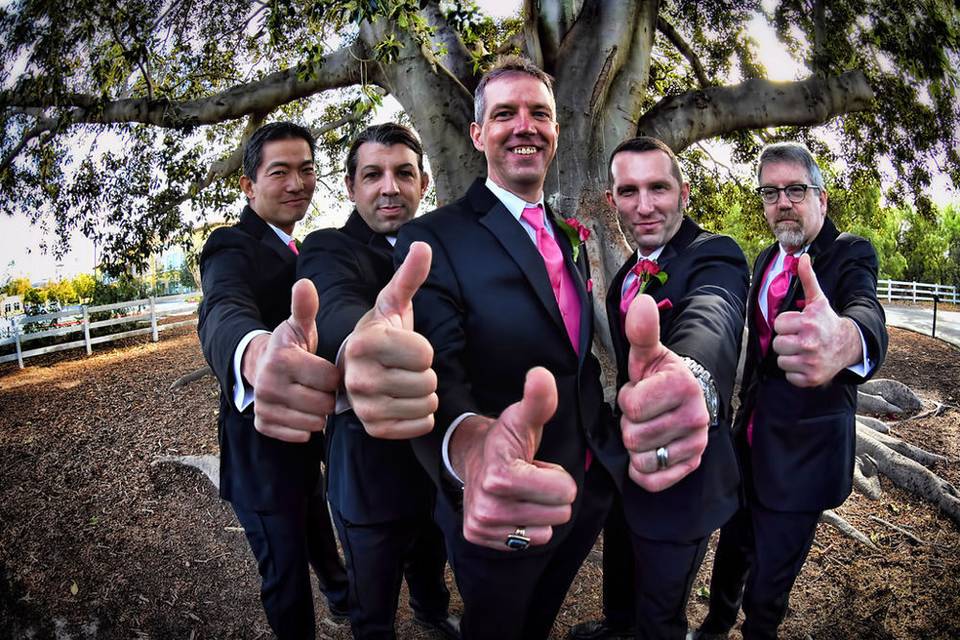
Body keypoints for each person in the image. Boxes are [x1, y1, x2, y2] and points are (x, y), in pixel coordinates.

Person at [342, 56, 712, 640]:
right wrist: (468, 450)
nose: (524, 126)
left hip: (587, 485)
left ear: (557, 131)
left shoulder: (568, 235)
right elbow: (441, 371)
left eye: (540, 113)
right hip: (500, 496)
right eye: (505, 113)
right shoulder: (433, 237)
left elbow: (572, 354)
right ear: (477, 133)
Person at [691, 142, 888, 640]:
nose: (783, 201)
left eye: (796, 189)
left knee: (770, 584)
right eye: (771, 191)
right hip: (747, 446)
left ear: (821, 199)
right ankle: (715, 626)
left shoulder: (849, 253)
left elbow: (865, 309)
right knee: (731, 551)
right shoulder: (763, 259)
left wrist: (849, 340)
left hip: (804, 458)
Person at [569, 137, 749, 640]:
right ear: (611, 202)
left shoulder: (716, 254)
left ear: (684, 193)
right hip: (625, 462)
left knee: (661, 611)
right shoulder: (624, 274)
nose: (644, 206)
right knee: (622, 562)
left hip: (683, 471)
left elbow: (714, 311)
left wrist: (693, 376)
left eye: (658, 188)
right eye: (629, 191)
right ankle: (617, 624)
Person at [297, 123, 459, 640]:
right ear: (350, 186)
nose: (389, 187)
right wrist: (357, 342)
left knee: (432, 567)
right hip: (368, 470)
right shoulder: (328, 247)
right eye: (373, 175)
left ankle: (434, 616)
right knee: (374, 606)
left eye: (403, 173)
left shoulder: (448, 246)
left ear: (424, 181)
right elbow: (336, 300)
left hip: (441, 460)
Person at [197, 121, 349, 639]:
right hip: (259, 456)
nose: (297, 184)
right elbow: (223, 309)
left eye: (307, 170)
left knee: (319, 534)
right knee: (284, 573)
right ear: (248, 185)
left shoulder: (303, 247)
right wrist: (255, 353)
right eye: (279, 172)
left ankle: (343, 599)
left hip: (309, 444)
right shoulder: (230, 245)